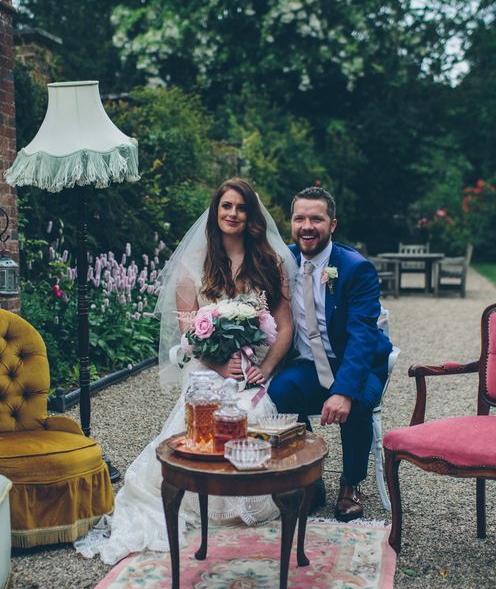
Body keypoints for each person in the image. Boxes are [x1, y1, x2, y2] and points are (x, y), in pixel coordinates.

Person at [75, 178, 296, 565]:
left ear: (251, 216)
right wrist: (216, 364)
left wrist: (264, 367)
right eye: (226, 206)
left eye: (241, 208)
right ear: (215, 213)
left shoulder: (268, 263)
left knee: (253, 414)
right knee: (203, 422)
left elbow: (285, 323)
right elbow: (188, 333)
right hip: (208, 367)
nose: (233, 214)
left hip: (253, 369)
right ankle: (202, 500)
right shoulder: (193, 267)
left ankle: (249, 501)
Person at [267, 186, 393, 522]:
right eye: (300, 218)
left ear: (332, 224)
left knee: (360, 400)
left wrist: (343, 391)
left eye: (316, 219)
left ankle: (351, 483)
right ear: (291, 223)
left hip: (355, 362)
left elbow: (363, 335)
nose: (307, 226)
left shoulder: (355, 268)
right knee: (279, 392)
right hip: (309, 364)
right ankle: (310, 478)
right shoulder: (283, 261)